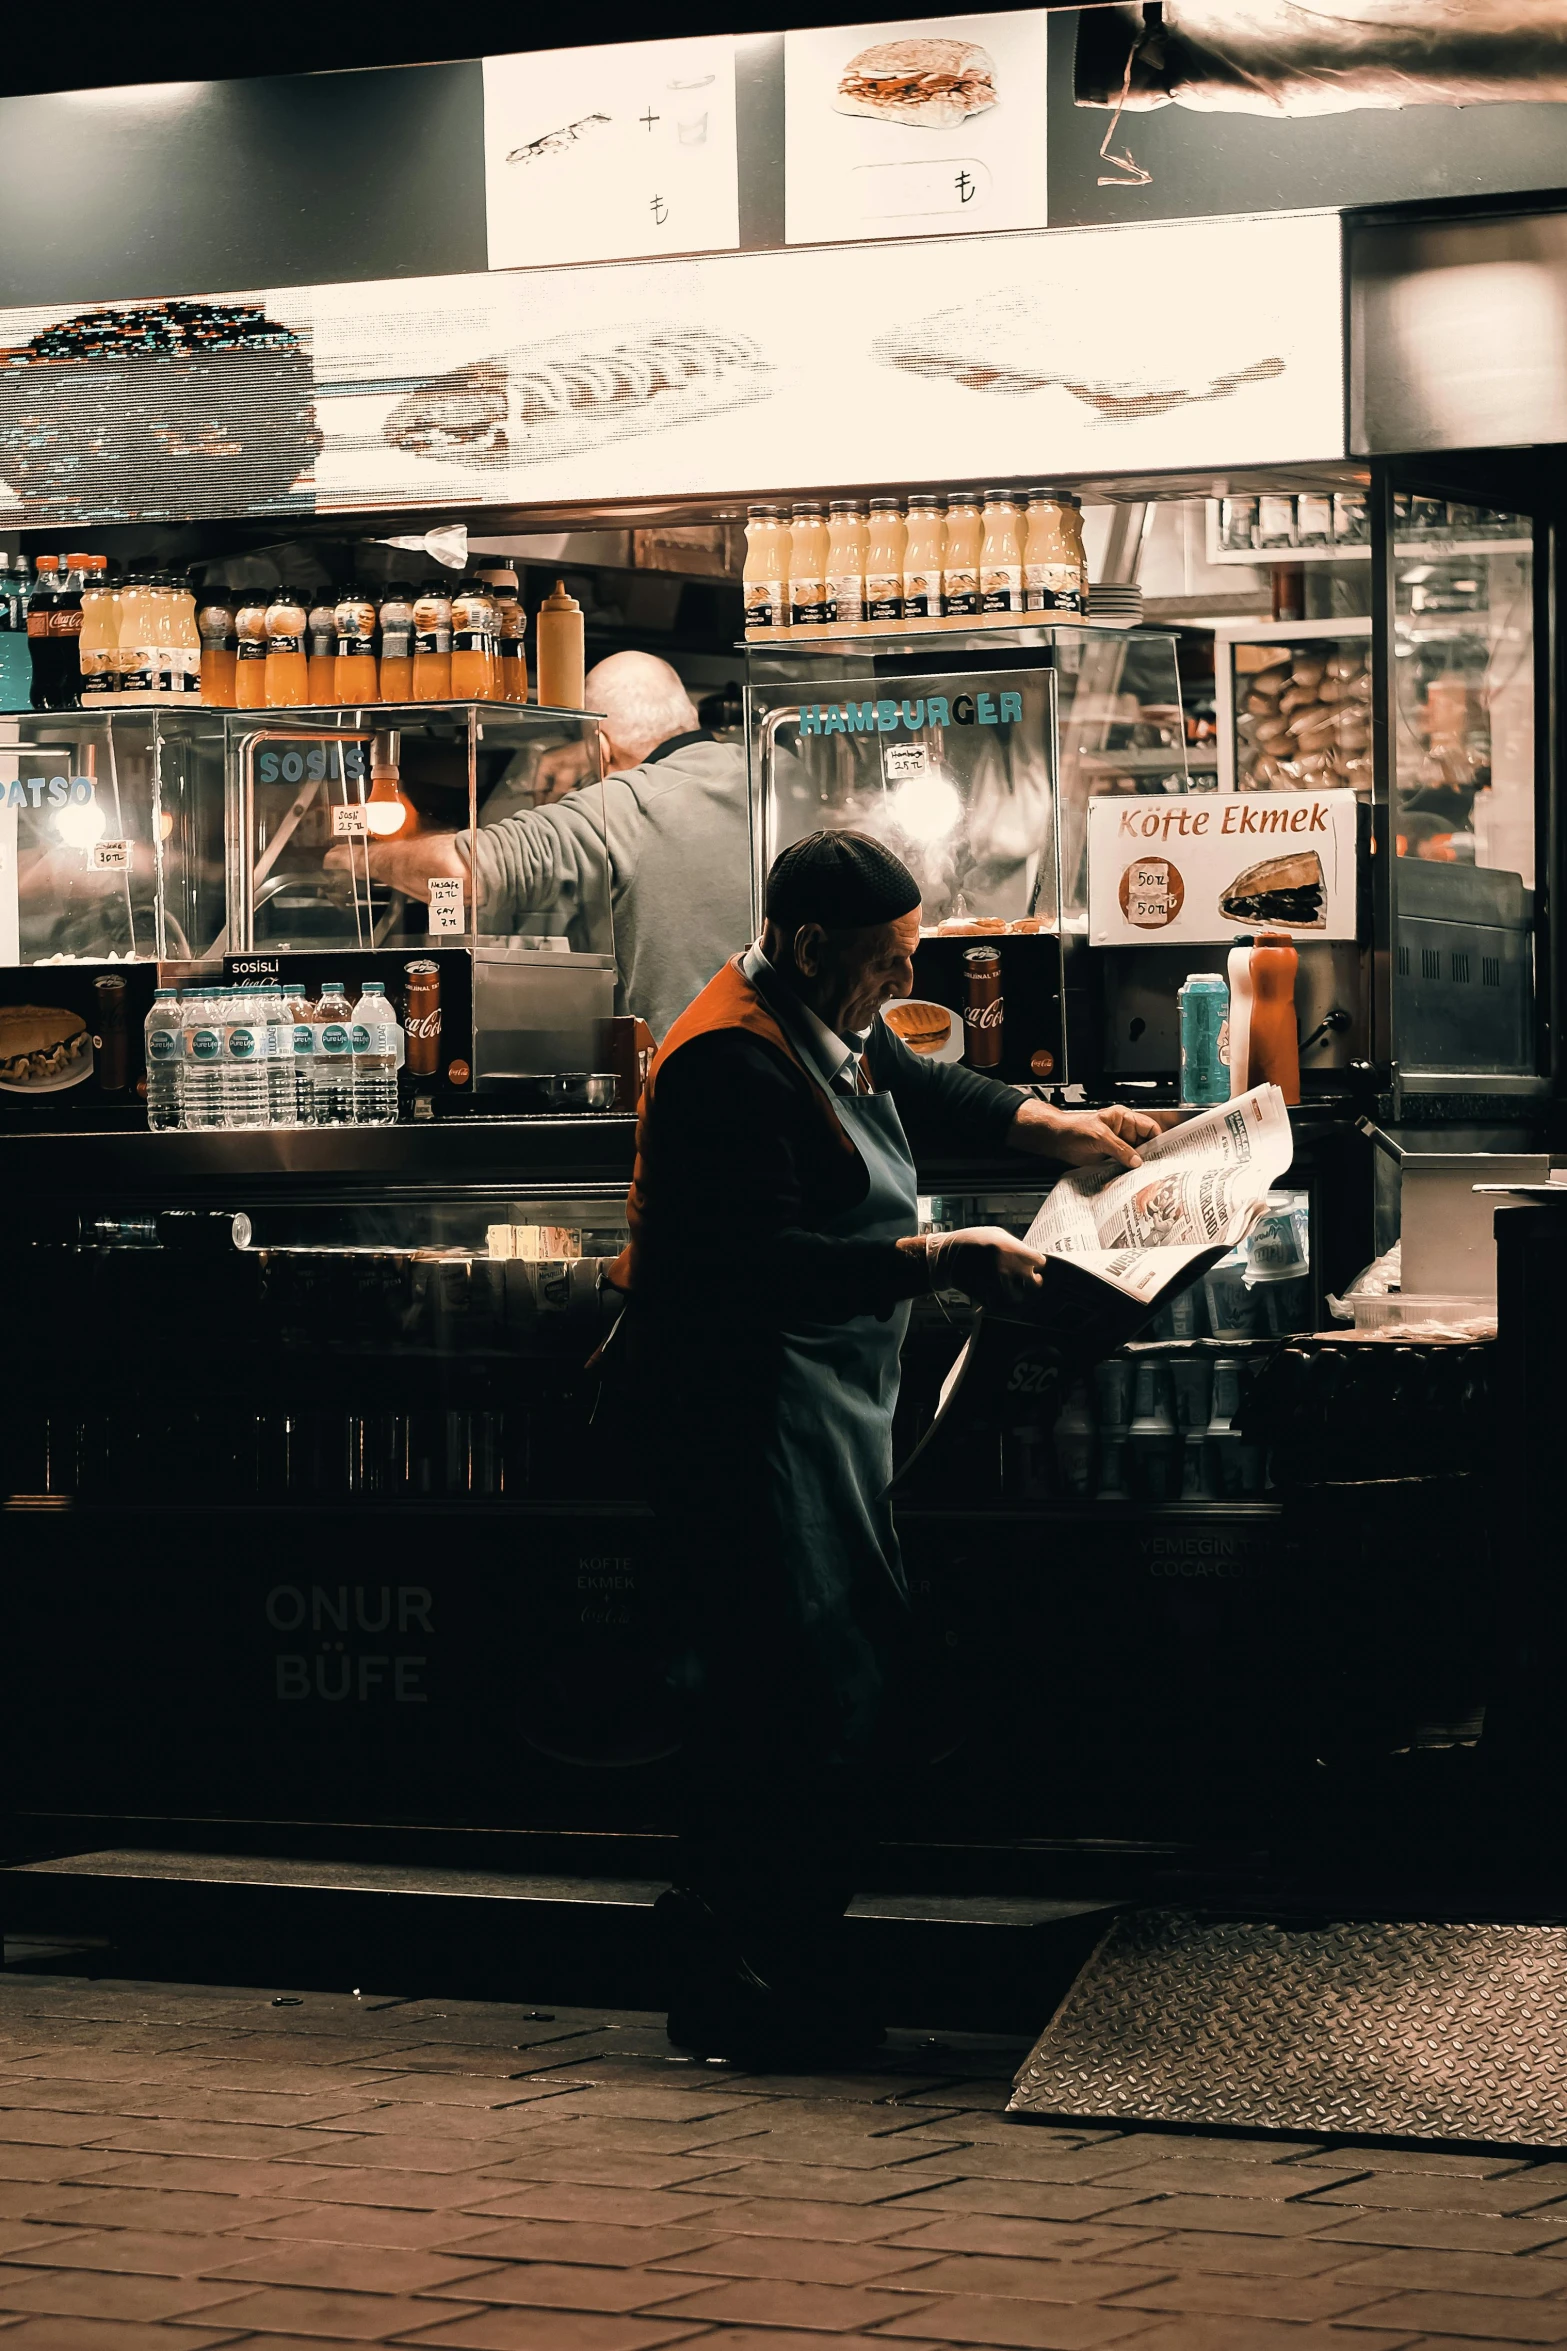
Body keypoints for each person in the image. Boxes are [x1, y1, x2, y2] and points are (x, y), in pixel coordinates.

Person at [610, 829, 1162, 2060]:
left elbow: (923, 1082)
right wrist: (932, 1257)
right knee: (778, 1688)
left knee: (836, 1676)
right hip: (745, 1418)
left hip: (826, 1413)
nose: (897, 987)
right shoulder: (726, 1063)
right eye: (885, 962)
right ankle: (737, 1975)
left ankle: (785, 1954)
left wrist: (1057, 1124)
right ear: (811, 946)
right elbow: (749, 1265)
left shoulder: (825, 1017)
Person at [332, 650, 750, 1039]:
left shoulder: (625, 806)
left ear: (600, 747)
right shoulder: (774, 769)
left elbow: (459, 870)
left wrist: (355, 857)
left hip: (684, 1071)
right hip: (787, 1071)